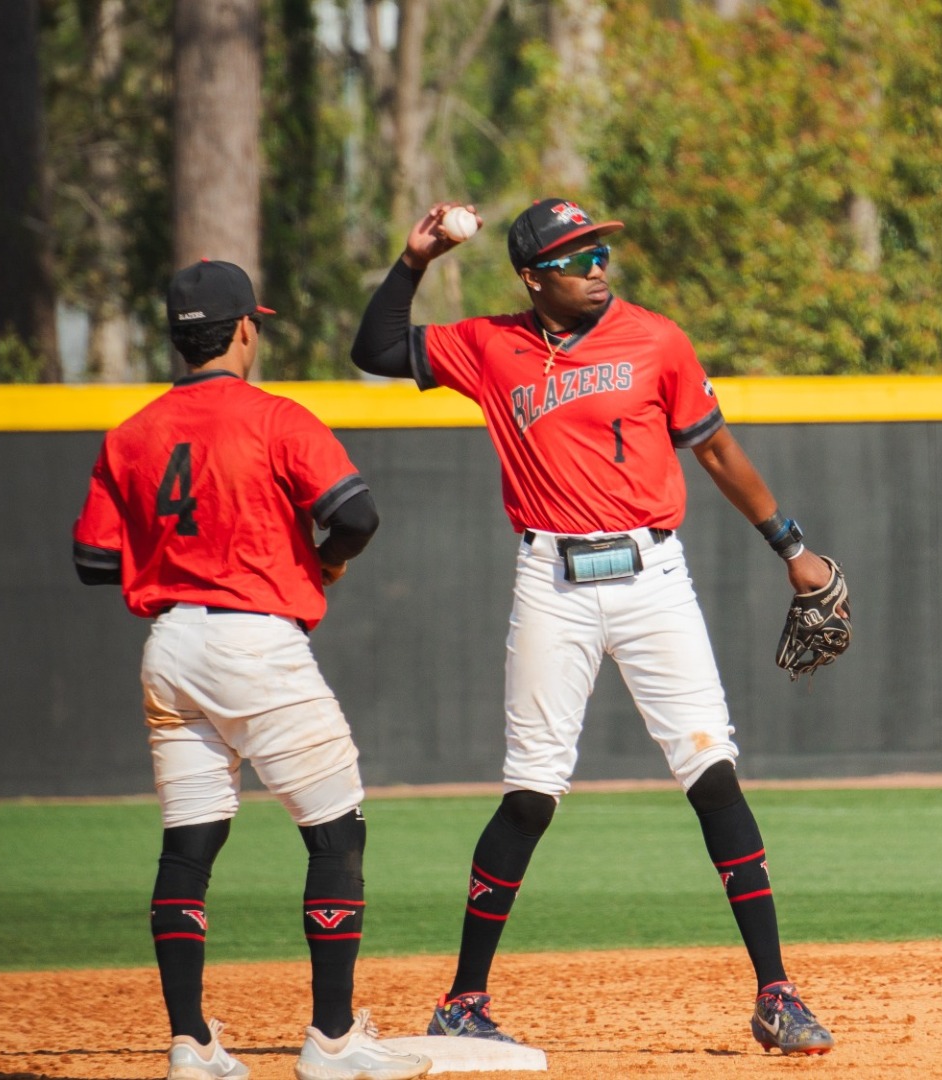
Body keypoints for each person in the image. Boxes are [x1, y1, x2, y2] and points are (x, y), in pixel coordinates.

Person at [347, 199, 838, 1056]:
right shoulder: (490, 345)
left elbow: (718, 451)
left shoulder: (657, 340)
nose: (597, 265)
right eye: (576, 258)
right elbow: (376, 349)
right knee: (530, 794)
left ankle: (777, 994)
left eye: (599, 250)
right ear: (533, 278)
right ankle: (463, 1001)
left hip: (654, 575)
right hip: (552, 580)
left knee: (712, 771)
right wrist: (415, 259)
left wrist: (791, 548)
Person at [72, 260, 431, 1080]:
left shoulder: (130, 434)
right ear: (244, 329)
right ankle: (332, 1041)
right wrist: (324, 559)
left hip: (170, 647)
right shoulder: (275, 417)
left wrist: (175, 554)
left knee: (189, 844)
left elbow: (92, 561)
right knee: (335, 830)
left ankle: (191, 1044)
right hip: (255, 642)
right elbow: (357, 514)